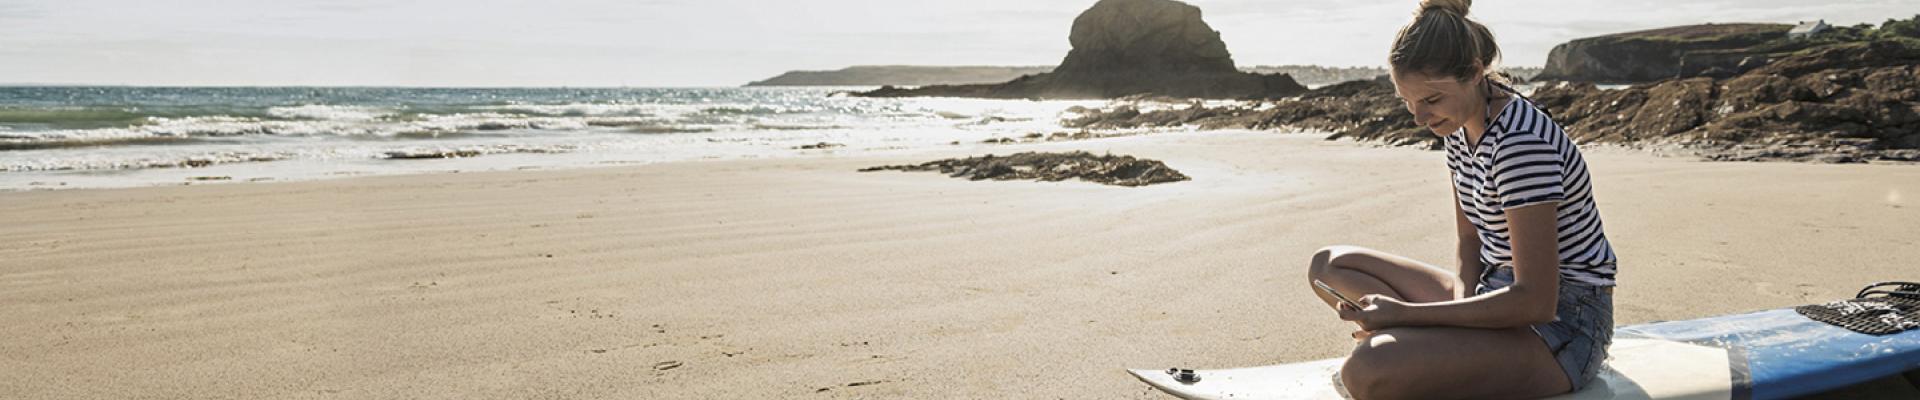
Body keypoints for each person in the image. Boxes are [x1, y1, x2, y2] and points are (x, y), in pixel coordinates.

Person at [1302, 0, 1619, 398]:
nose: (1419, 118)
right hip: (1495, 291)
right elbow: (1470, 243)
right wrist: (1448, 321)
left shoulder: (1520, 145)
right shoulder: (1458, 129)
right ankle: (1430, 350)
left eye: (1431, 100)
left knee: (1367, 371)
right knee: (1328, 265)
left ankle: (1415, 352)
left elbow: (1537, 300)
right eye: (1408, 101)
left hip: (1563, 327)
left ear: (1472, 72)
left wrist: (1408, 317)